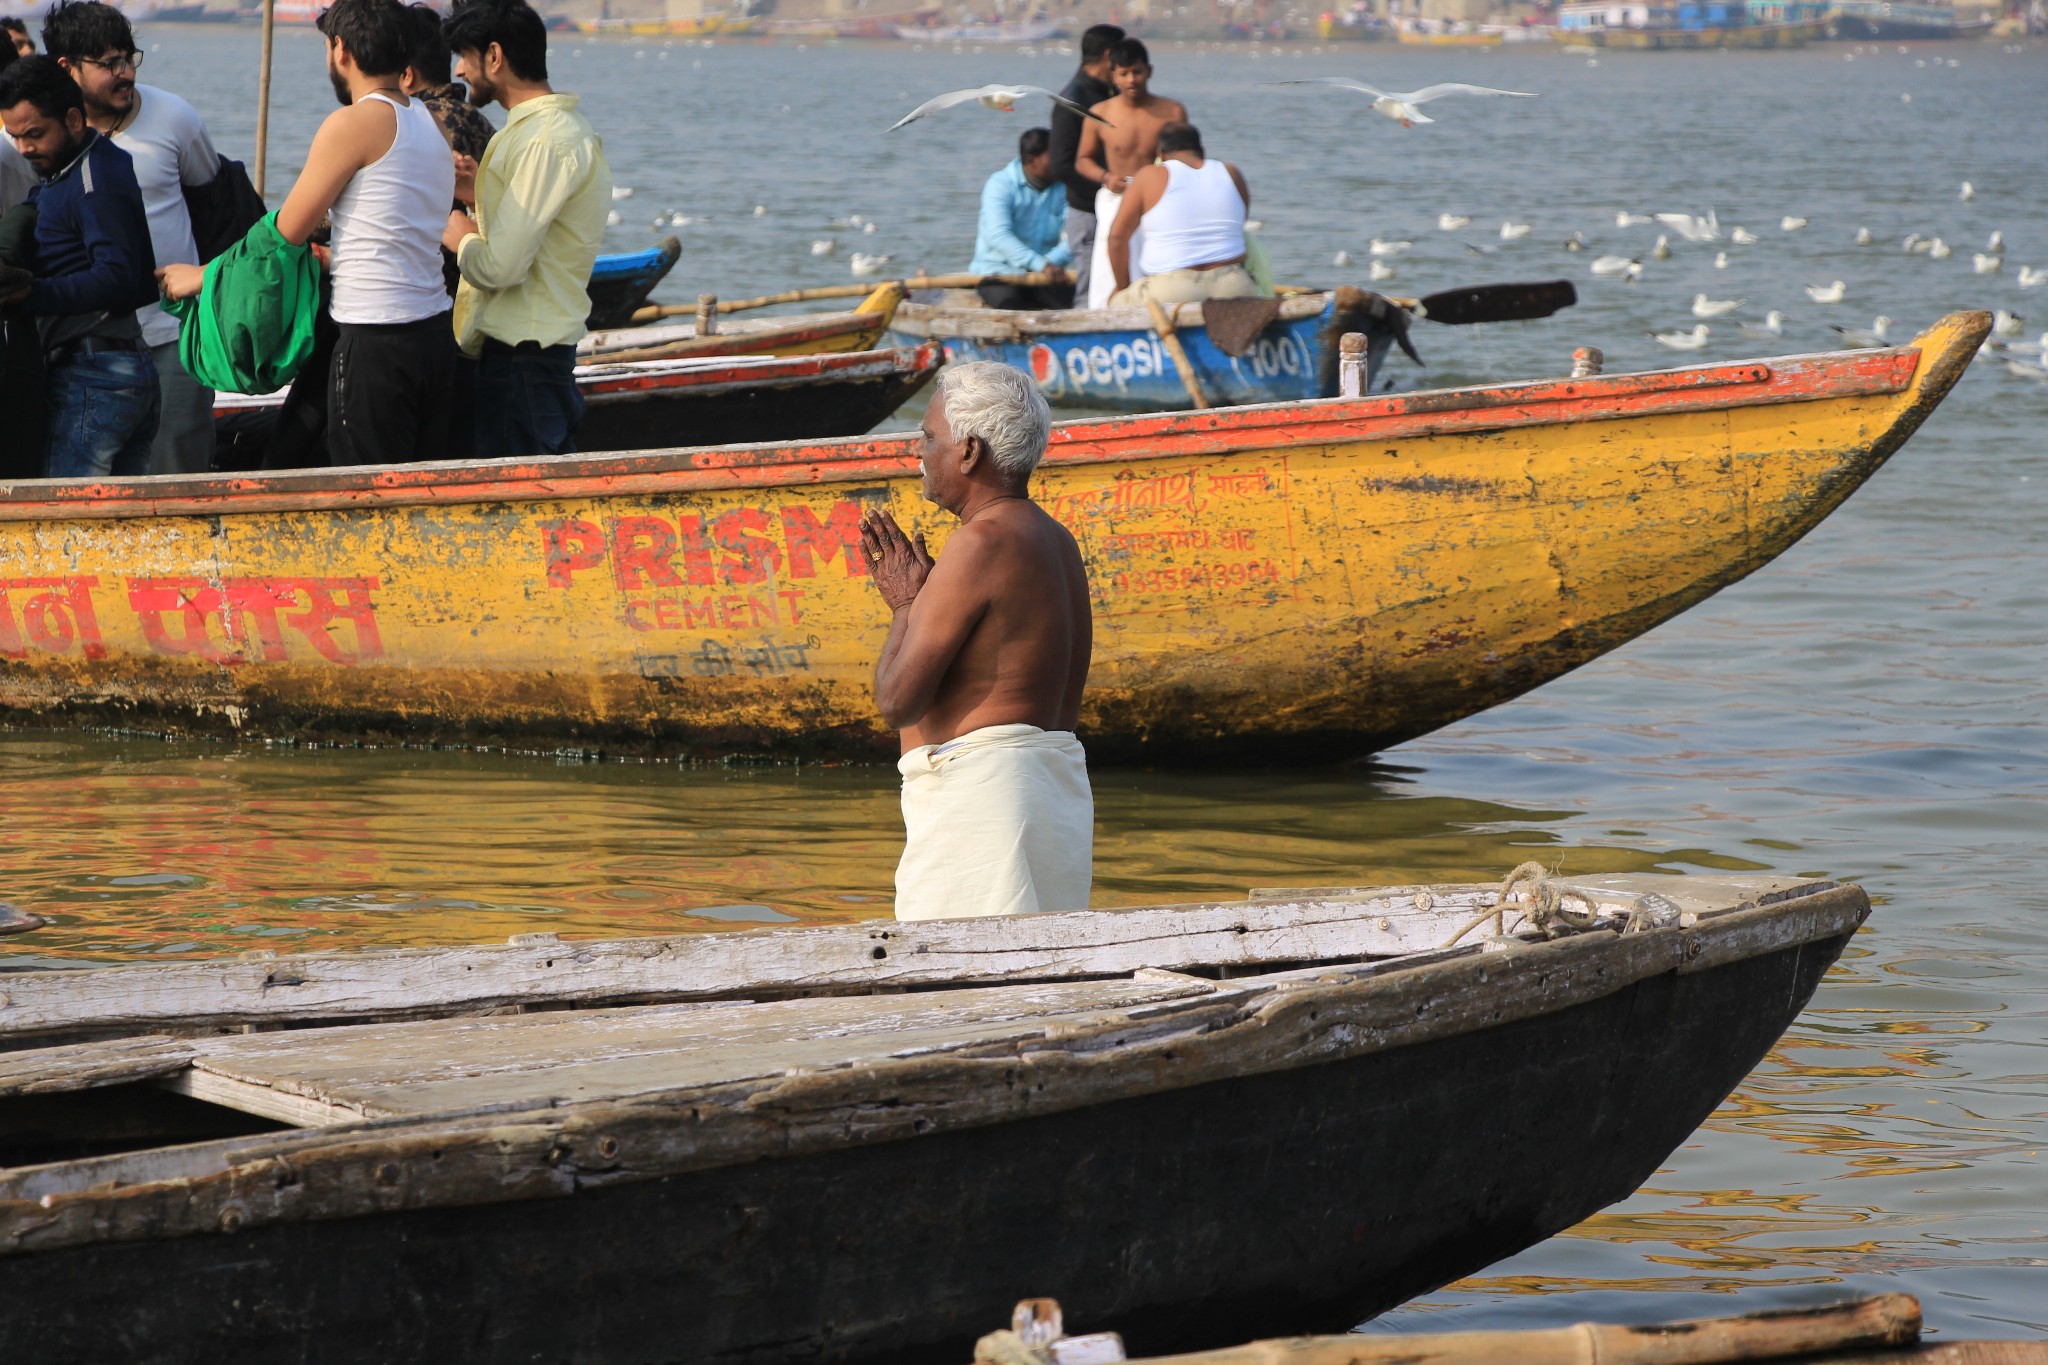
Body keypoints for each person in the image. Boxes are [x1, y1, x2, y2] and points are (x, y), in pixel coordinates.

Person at [162, 0, 458, 466]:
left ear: (340, 50)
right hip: (435, 336)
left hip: (376, 340)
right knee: (419, 490)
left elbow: (282, 236)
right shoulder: (430, 123)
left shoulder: (353, 123)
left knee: (364, 494)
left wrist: (202, 276)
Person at [858, 361, 1094, 921]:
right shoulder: (1057, 540)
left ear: (968, 453)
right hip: (1052, 795)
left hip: (985, 805)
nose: (918, 451)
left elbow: (897, 701)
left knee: (963, 995)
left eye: (928, 437)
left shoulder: (979, 542)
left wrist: (905, 606)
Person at [45, 0, 221, 476]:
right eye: (109, 64)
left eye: (129, 58)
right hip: (81, 346)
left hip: (174, 335)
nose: (126, 73)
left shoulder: (175, 117)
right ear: (68, 68)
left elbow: (212, 201)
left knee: (178, 473)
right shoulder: (38, 138)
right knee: (84, 483)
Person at [439, 0, 609, 459]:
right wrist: (483, 196)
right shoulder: (543, 132)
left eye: (464, 56)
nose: (458, 70)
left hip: (525, 361)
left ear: (494, 56)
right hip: (525, 356)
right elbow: (542, 229)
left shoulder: (544, 141)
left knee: (518, 499)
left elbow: (501, 268)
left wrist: (460, 237)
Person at [0, 54, 159, 478]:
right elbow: (37, 207)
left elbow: (119, 278)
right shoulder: (66, 170)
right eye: (14, 137)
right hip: (110, 372)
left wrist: (32, 294)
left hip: (95, 377)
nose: (24, 149)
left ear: (73, 119)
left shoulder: (95, 179)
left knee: (65, 519)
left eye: (34, 134)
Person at [1073, 38, 1187, 309]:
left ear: (1149, 71)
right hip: (1117, 193)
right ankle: (1106, 314)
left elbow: (1186, 159)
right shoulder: (1100, 113)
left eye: (1136, 71)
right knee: (1108, 263)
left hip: (1157, 197)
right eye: (1124, 73)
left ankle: (1162, 314)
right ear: (1113, 76)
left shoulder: (1172, 111)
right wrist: (1106, 177)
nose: (1131, 79)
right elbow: (1083, 160)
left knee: (1159, 260)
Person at [1106, 122, 1257, 308]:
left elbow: (1116, 239)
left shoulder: (1148, 176)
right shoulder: (1232, 173)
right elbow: (1238, 227)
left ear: (1161, 154)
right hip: (1234, 286)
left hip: (1171, 291)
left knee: (1114, 303)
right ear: (1201, 150)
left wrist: (1122, 288)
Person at [1044, 22, 1119, 308]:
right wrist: (1105, 190)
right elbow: (1061, 164)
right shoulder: (1072, 99)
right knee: (1090, 291)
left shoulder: (1108, 94)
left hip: (1112, 208)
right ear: (1109, 55)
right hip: (1088, 211)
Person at [967, 127, 1073, 311]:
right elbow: (999, 236)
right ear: (1031, 160)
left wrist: (1049, 263)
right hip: (999, 273)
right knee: (1010, 305)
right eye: (1052, 157)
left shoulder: (1064, 188)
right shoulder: (1001, 185)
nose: (1059, 161)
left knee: (1075, 304)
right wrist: (1039, 264)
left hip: (1046, 274)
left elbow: (1076, 236)